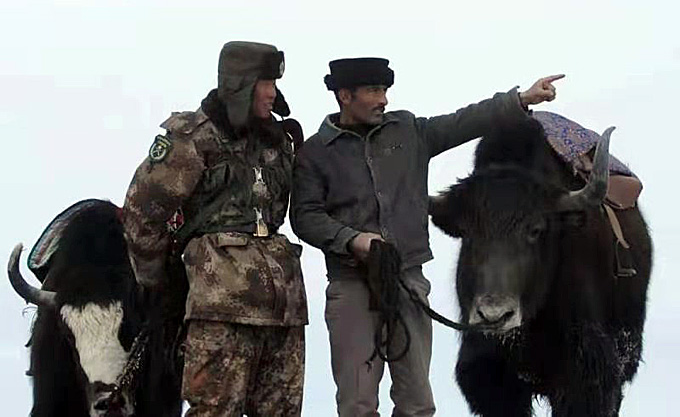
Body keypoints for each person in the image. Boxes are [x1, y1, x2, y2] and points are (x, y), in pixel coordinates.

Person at [290, 57, 562, 416]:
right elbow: (305, 217)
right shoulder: (315, 153)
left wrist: (521, 99)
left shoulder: (408, 130)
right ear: (344, 96)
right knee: (357, 404)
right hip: (351, 286)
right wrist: (353, 240)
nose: (383, 99)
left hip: (409, 282)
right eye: (373, 91)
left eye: (385, 90)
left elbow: (463, 121)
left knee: (418, 403)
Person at [122, 41, 308, 416]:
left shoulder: (279, 141)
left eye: (274, 83)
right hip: (219, 312)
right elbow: (142, 214)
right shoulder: (193, 139)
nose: (273, 93)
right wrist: (164, 285)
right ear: (240, 84)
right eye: (265, 83)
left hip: (284, 314)